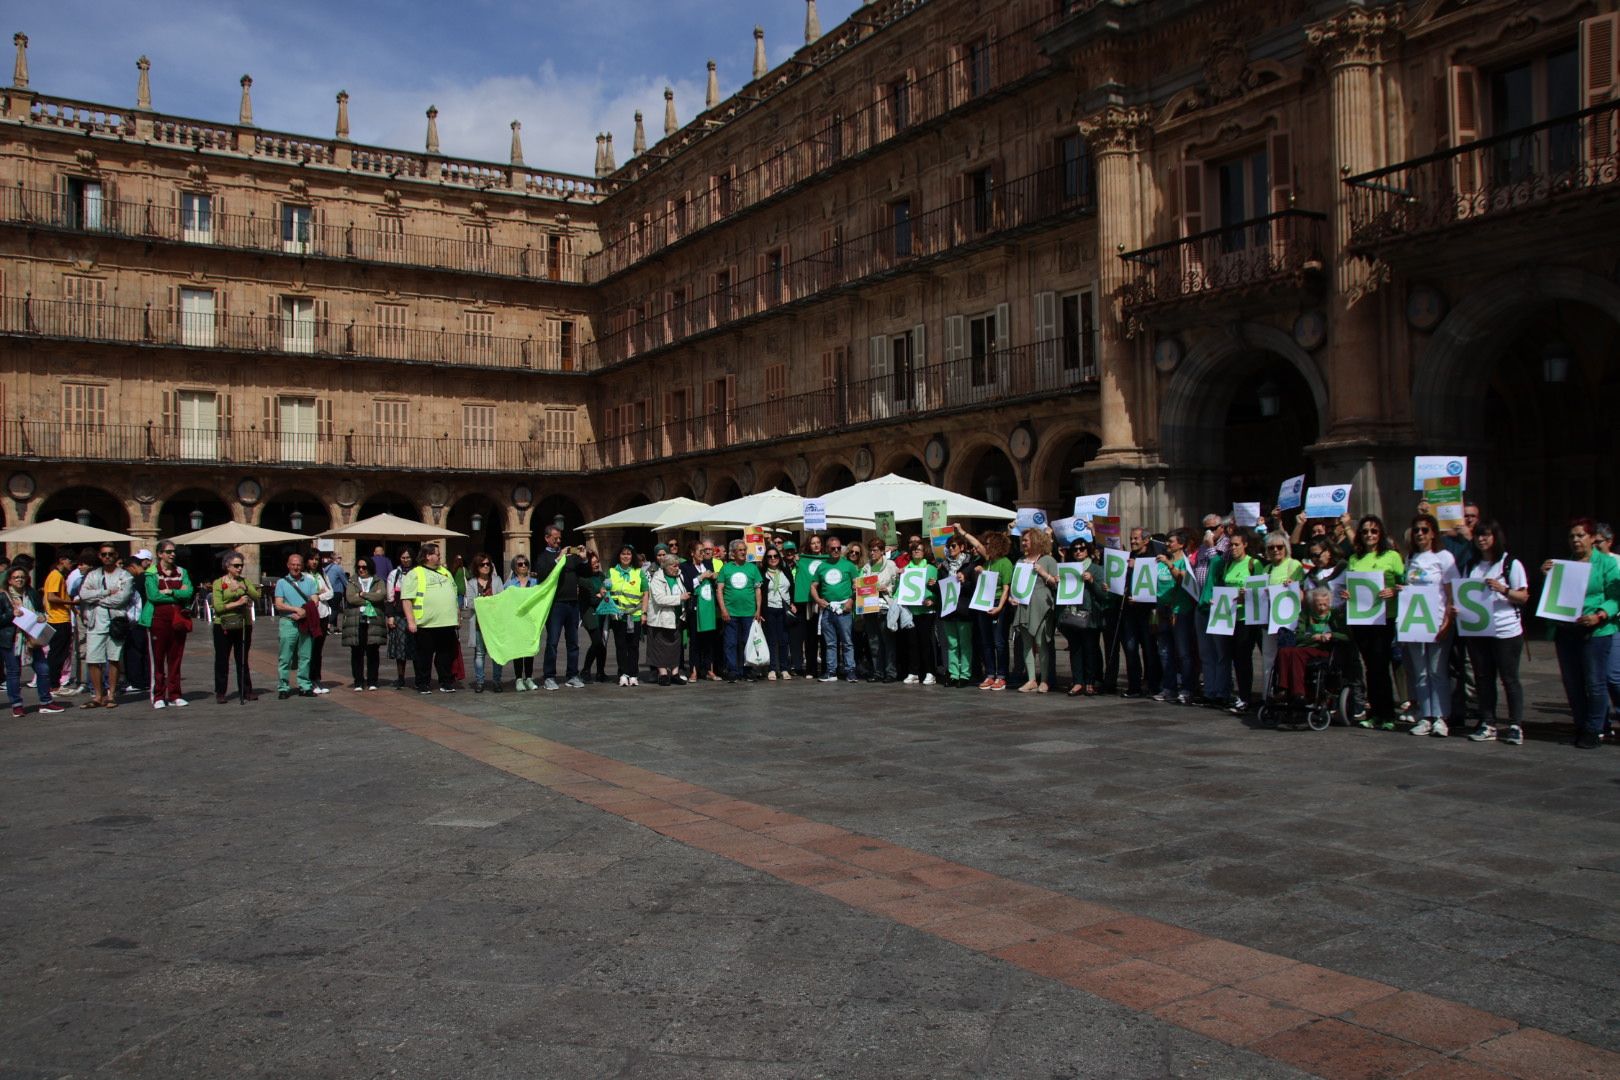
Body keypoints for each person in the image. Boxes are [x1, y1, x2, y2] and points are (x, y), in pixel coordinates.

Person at [1543, 518, 1620, 750]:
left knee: (1595, 682)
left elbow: (1615, 597)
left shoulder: (1606, 563)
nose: (1576, 540)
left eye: (1580, 535)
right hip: (1568, 630)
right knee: (1573, 682)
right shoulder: (1564, 565)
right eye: (1572, 536)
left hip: (1596, 630)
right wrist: (1548, 575)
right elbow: (1554, 596)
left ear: (1591, 538)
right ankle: (1581, 722)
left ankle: (1594, 728)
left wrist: (1599, 615)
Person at [1461, 521, 1527, 744]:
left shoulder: (1510, 564)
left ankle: (1515, 724)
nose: (1482, 540)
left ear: (1495, 538)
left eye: (1486, 536)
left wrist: (1503, 589)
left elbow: (1523, 596)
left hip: (1506, 629)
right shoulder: (1471, 565)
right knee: (1483, 678)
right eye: (1478, 536)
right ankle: (1488, 722)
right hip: (1479, 629)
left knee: (1509, 678)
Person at [1345, 515, 1405, 728]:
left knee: (1381, 665)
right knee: (1370, 666)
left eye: (1374, 531)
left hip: (1383, 618)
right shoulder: (1355, 559)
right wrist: (1348, 595)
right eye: (1365, 531)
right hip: (1361, 619)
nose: (1369, 535)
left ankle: (1388, 713)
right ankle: (1375, 713)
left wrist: (1394, 592)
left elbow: (1404, 583)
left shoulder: (1392, 556)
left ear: (1381, 534)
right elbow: (1352, 586)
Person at [1403, 513, 1460, 737]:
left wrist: (1448, 620)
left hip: (1436, 620)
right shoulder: (1411, 558)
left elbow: (1450, 591)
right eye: (1416, 530)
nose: (1420, 534)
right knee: (1421, 672)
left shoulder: (1444, 557)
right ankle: (1425, 715)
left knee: (1437, 671)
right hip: (1416, 622)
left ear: (1433, 533)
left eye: (1424, 530)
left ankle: (1441, 716)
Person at [3, 565, 68, 717]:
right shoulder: (3, 596)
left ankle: (46, 702)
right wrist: (11, 615)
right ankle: (17, 705)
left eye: (22, 577)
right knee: (13, 672)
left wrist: (41, 617)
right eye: (16, 577)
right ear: (10, 581)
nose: (19, 580)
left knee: (43, 670)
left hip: (32, 638)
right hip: (12, 639)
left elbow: (41, 610)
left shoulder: (31, 594)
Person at [1212, 527, 1264, 714]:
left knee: (1243, 657)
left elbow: (1260, 590)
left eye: (1236, 544)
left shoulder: (1253, 563)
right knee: (1233, 656)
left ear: (1245, 545)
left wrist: (1247, 595)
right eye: (1231, 544)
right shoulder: (1229, 565)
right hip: (1229, 616)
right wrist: (1217, 600)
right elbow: (1225, 587)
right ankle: (1241, 695)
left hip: (1246, 618)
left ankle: (1246, 697)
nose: (1233, 548)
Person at [534, 524, 590, 690]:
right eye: (555, 538)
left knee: (573, 641)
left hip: (573, 603)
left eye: (559, 539)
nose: (558, 541)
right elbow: (543, 575)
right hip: (556, 604)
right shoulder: (544, 557)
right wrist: (558, 558)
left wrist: (583, 558)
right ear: (547, 538)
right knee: (552, 641)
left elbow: (586, 573)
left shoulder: (570, 557)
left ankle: (572, 674)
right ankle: (549, 676)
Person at [77, 545, 133, 709]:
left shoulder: (125, 575)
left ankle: (111, 694)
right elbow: (83, 594)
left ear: (116, 556)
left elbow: (121, 599)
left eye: (110, 554)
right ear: (99, 557)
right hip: (95, 622)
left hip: (116, 621)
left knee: (114, 658)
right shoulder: (93, 575)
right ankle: (98, 695)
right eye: (104, 554)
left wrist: (97, 598)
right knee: (93, 659)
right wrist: (107, 592)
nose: (107, 557)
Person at [400, 542, 459, 694]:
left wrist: (457, 616)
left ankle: (446, 681)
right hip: (425, 623)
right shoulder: (415, 573)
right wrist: (411, 621)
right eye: (437, 554)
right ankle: (422, 683)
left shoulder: (445, 572)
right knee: (423, 656)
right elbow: (406, 598)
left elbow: (454, 593)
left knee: (446, 655)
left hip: (447, 622)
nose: (440, 556)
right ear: (428, 556)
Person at [143, 542, 194, 709]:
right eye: (168, 552)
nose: (172, 554)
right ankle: (158, 695)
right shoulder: (151, 573)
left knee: (176, 657)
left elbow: (189, 592)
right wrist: (179, 594)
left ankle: (174, 694)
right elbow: (154, 596)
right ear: (159, 554)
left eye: (174, 552)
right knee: (157, 659)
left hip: (177, 620)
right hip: (158, 620)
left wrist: (172, 592)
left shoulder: (182, 572)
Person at [1274, 587, 1348, 701]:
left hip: (1324, 650)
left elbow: (1346, 636)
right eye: (1319, 605)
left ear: (1329, 602)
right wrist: (1315, 638)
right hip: (1306, 647)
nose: (1322, 608)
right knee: (1284, 651)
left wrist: (1331, 635)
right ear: (1313, 604)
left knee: (1296, 653)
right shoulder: (1305, 614)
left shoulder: (1335, 614)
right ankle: (1283, 688)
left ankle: (1299, 692)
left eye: (1325, 604)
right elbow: (1299, 636)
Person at [1008, 528, 1059, 693]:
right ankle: (1031, 679)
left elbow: (1057, 584)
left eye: (1026, 540)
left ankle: (1044, 680)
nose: (1023, 543)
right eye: (1023, 541)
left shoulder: (1048, 560)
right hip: (1023, 607)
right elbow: (1015, 585)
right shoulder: (1020, 561)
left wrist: (1043, 573)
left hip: (1041, 606)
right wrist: (1011, 598)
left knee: (1042, 643)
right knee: (1027, 645)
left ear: (1036, 541)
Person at [961, 530, 1012, 691]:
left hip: (997, 602)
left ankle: (1002, 675)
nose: (986, 546)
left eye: (989, 544)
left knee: (999, 641)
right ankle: (990, 674)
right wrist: (962, 532)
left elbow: (1006, 588)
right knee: (987, 641)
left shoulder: (1005, 563)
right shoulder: (988, 560)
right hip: (984, 602)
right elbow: (976, 543)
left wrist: (1000, 607)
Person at [1258, 531, 1306, 700]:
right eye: (1271, 548)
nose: (1275, 550)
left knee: (1287, 657)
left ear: (1286, 548)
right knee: (1268, 657)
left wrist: (1293, 585)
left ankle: (1289, 693)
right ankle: (1266, 695)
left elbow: (1301, 593)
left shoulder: (1293, 565)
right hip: (1269, 620)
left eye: (1279, 547)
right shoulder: (1267, 568)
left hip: (1288, 621)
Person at [1152, 529, 1197, 704]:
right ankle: (1168, 688)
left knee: (1183, 652)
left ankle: (1187, 688)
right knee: (1164, 652)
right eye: (1167, 542)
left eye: (1171, 542)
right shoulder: (1160, 563)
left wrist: (1170, 565)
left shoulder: (1185, 563)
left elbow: (1183, 581)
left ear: (1181, 544)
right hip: (1161, 611)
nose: (1168, 545)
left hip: (1180, 611)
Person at [210, 551, 260, 703]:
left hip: (243, 625)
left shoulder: (244, 581)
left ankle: (246, 690)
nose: (239, 568)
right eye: (236, 565)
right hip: (223, 625)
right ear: (227, 566)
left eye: (241, 565)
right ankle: (220, 691)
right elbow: (218, 607)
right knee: (222, 660)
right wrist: (237, 603)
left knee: (242, 659)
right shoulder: (219, 583)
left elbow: (256, 596)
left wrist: (243, 588)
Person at [1059, 540, 1106, 697]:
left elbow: (1103, 595)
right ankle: (1078, 681)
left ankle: (1090, 682)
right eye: (1075, 549)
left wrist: (1092, 581)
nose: (1078, 551)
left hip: (1090, 617)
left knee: (1090, 649)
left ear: (1088, 550)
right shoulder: (1069, 569)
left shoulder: (1097, 569)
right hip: (1073, 615)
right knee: (1075, 649)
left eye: (1082, 549)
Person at [1118, 529, 1160, 698]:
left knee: (1149, 649)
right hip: (1129, 611)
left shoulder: (1153, 558)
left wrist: (1141, 598)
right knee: (1130, 648)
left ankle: (1154, 684)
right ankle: (1134, 685)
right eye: (1131, 538)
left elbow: (1153, 584)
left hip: (1147, 611)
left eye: (1136, 538)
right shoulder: (1128, 557)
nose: (1133, 541)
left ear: (1146, 540)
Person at [273, 552, 320, 699]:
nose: (296, 567)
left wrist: (304, 612)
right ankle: (283, 686)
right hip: (288, 623)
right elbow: (278, 604)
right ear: (288, 565)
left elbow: (315, 600)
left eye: (298, 564)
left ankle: (304, 686)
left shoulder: (309, 581)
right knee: (285, 657)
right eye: (293, 564)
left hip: (305, 622)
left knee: (305, 656)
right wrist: (295, 609)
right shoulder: (281, 583)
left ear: (302, 565)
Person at [715, 540, 762, 683]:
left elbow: (758, 590)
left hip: (749, 613)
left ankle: (747, 670)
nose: (743, 552)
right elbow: (719, 590)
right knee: (730, 643)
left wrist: (758, 609)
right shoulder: (726, 568)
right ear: (733, 553)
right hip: (731, 613)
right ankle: (733, 671)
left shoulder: (752, 568)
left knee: (747, 642)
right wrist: (723, 609)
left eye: (744, 550)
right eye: (740, 550)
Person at [811, 540, 859, 683]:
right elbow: (813, 586)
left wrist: (851, 600)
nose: (836, 550)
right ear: (827, 549)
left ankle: (850, 671)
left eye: (838, 548)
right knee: (830, 643)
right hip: (828, 608)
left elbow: (857, 585)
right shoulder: (822, 567)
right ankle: (831, 671)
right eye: (833, 548)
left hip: (844, 608)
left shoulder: (849, 565)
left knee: (847, 642)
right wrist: (818, 600)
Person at [895, 538, 938, 685]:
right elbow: (901, 589)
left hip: (926, 612)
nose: (916, 551)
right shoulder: (907, 568)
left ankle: (930, 672)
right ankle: (914, 672)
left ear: (924, 551)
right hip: (911, 612)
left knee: (926, 643)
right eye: (913, 549)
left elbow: (936, 589)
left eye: (918, 549)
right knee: (912, 644)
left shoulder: (931, 568)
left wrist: (932, 600)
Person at [938, 533, 977, 687]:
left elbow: (974, 587)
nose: (951, 549)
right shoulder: (943, 566)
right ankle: (953, 674)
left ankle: (965, 674)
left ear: (962, 548)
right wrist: (933, 584)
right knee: (952, 644)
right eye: (949, 546)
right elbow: (940, 587)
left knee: (965, 643)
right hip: (948, 609)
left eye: (953, 546)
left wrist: (964, 581)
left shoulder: (969, 565)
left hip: (963, 608)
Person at [607, 544, 649, 685]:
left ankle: (633, 674)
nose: (626, 556)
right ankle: (623, 673)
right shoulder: (612, 572)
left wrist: (644, 613)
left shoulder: (639, 572)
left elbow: (645, 593)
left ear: (633, 557)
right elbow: (606, 588)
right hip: (618, 616)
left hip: (635, 614)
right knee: (620, 645)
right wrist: (603, 591)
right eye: (623, 554)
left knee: (634, 646)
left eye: (629, 554)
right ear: (619, 556)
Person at [645, 551, 689, 686]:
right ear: (666, 566)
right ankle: (663, 673)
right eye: (674, 566)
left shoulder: (679, 576)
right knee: (660, 647)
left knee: (675, 647)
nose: (677, 568)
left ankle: (675, 673)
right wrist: (679, 598)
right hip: (661, 619)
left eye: (677, 566)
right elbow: (659, 599)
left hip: (676, 617)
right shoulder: (657, 579)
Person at [345, 556, 387, 692]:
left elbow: (381, 596)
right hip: (357, 621)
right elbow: (351, 598)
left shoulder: (378, 581)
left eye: (364, 567)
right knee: (357, 652)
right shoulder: (352, 580)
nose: (361, 570)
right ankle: (358, 681)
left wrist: (362, 594)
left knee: (373, 651)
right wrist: (371, 596)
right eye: (359, 567)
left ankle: (372, 680)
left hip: (373, 620)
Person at [463, 552, 504, 693]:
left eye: (488, 564)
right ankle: (480, 681)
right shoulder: (472, 583)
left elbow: (501, 599)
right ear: (476, 567)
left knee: (496, 653)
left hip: (494, 624)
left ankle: (497, 681)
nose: (486, 567)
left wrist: (484, 602)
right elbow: (470, 603)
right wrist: (488, 602)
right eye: (482, 564)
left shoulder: (497, 580)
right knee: (479, 653)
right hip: (479, 624)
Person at [859, 541, 898, 683]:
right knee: (874, 641)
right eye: (871, 550)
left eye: (875, 550)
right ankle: (877, 671)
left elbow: (897, 584)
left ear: (882, 551)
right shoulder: (866, 567)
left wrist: (887, 589)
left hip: (885, 607)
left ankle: (891, 672)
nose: (872, 553)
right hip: (870, 608)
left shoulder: (890, 565)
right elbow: (860, 584)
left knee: (887, 641)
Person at [685, 542, 723, 681]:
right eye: (700, 551)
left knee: (709, 639)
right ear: (692, 553)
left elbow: (715, 584)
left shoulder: (707, 565)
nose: (703, 554)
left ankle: (709, 669)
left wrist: (714, 577)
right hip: (695, 608)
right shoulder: (686, 567)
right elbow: (687, 585)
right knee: (695, 640)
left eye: (704, 551)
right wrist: (701, 577)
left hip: (708, 607)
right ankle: (694, 671)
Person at [41, 552, 75, 697]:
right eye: (70, 561)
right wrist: (71, 602)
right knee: (57, 654)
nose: (71, 564)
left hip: (59, 618)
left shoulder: (56, 575)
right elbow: (51, 597)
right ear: (62, 560)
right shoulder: (56, 575)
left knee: (58, 653)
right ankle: (53, 685)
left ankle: (53, 684)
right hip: (58, 619)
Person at [761, 546, 795, 680]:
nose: (773, 559)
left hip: (783, 609)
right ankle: (772, 669)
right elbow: (759, 592)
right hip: (769, 609)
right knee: (771, 640)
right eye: (769, 556)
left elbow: (792, 588)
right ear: (766, 559)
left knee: (784, 640)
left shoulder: (785, 571)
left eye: (775, 556)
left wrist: (792, 603)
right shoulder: (762, 572)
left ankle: (784, 668)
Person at [506, 555, 540, 690]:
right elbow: (504, 600)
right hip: (517, 621)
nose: (524, 566)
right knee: (519, 651)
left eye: (526, 563)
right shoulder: (509, 584)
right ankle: (519, 679)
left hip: (531, 621)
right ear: (515, 567)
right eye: (520, 564)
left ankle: (529, 678)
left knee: (530, 650)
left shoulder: (535, 582)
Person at [385, 547, 416, 688]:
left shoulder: (417, 572)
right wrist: (390, 615)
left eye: (408, 557)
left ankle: (419, 676)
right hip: (399, 614)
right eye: (403, 557)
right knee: (400, 648)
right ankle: (400, 677)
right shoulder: (394, 574)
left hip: (416, 613)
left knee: (416, 647)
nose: (406, 560)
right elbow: (390, 596)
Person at [120, 550, 151, 695]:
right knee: (144, 651)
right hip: (147, 619)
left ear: (132, 566)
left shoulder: (137, 580)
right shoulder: (149, 578)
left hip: (137, 620)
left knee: (134, 651)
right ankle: (145, 680)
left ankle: (136, 681)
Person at [578, 551, 609, 683]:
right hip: (589, 613)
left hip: (602, 613)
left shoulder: (602, 576)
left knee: (602, 644)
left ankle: (600, 672)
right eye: (593, 563)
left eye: (597, 562)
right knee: (596, 642)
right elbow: (591, 599)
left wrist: (601, 595)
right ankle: (585, 669)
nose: (596, 565)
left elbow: (607, 594)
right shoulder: (583, 579)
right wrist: (600, 596)